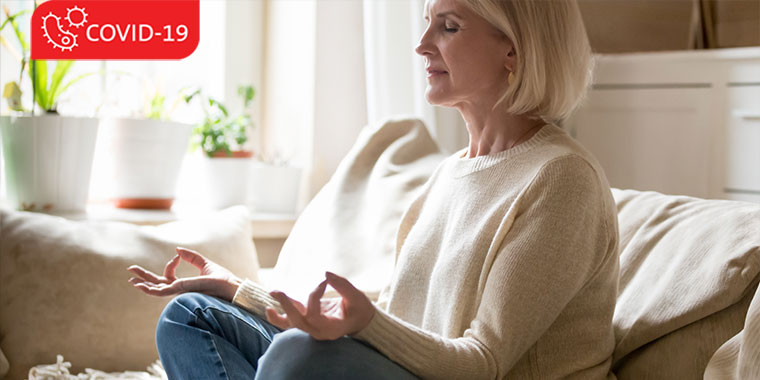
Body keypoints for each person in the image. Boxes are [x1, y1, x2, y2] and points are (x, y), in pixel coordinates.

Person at [127, 0, 619, 378]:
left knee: (298, 358)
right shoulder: (450, 174)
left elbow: (482, 363)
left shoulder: (560, 178)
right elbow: (397, 319)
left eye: (448, 26)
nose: (423, 44)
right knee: (191, 316)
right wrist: (240, 291)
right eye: (427, 22)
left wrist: (366, 325)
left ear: (514, 47)